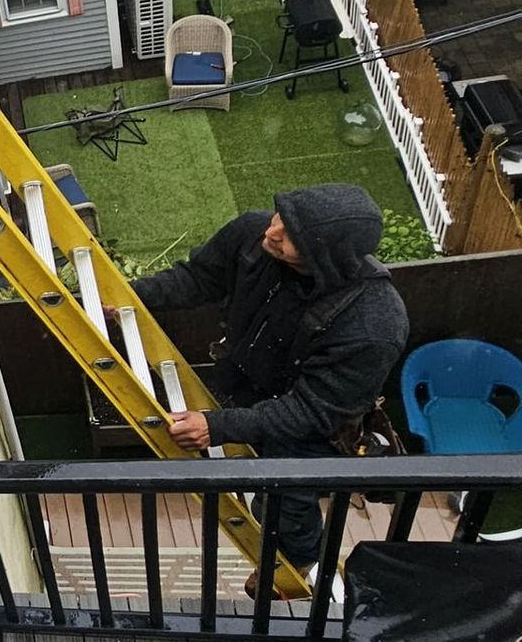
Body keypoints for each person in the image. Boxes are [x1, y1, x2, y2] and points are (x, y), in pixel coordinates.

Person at [130, 184, 409, 598]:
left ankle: (299, 564)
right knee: (267, 484)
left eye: (292, 234)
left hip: (314, 421)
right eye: (282, 215)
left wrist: (217, 427)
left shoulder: (374, 324)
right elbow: (198, 278)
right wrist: (133, 296)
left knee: (284, 493)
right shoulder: (253, 235)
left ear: (326, 258)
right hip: (246, 383)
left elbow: (311, 412)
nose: (273, 230)